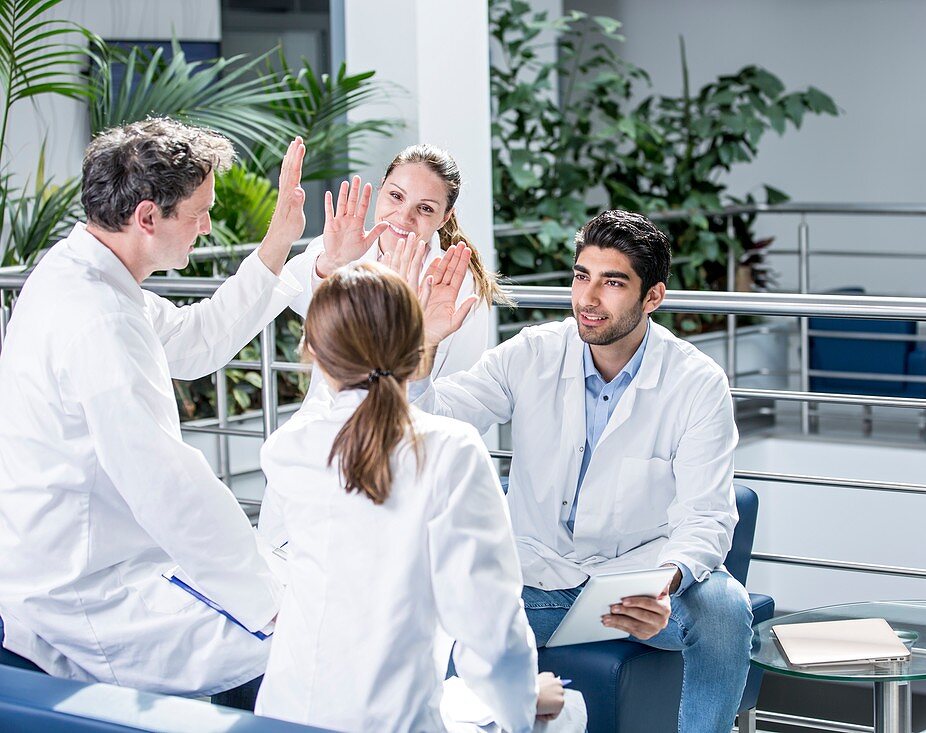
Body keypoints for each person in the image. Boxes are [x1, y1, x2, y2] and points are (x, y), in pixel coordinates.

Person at [406, 210, 754, 733]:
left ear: (652, 297)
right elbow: (428, 417)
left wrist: (666, 582)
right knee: (450, 628)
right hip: (537, 585)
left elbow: (706, 515)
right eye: (580, 275)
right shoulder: (532, 352)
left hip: (638, 585)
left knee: (724, 609)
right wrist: (425, 341)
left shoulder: (697, 383)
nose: (588, 298)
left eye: (613, 282)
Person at [0, 118, 311, 697]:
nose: (208, 226)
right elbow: (167, 486)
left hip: (86, 560)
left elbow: (197, 341)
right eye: (199, 212)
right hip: (86, 591)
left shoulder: (86, 274)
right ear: (148, 217)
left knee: (298, 598)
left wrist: (282, 245)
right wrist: (266, 604)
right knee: (308, 641)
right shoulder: (100, 318)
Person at [254, 260, 584, 733]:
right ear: (416, 352)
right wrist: (526, 700)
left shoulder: (286, 449)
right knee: (569, 715)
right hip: (394, 720)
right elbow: (486, 617)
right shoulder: (451, 449)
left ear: (314, 354)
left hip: (284, 716)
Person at [286, 143, 501, 391]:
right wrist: (332, 262)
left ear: (445, 216)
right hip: (331, 419)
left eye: (425, 208)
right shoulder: (342, 247)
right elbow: (290, 293)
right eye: (396, 196)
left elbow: (461, 389)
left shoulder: (459, 282)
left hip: (414, 424)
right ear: (381, 187)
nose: (404, 216)